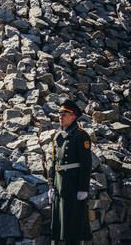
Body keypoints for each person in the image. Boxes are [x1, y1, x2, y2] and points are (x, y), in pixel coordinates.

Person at [48, 99, 92, 244]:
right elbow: (55, 163)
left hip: (73, 185)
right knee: (59, 223)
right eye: (60, 114)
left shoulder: (81, 135)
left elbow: (86, 164)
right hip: (60, 185)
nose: (60, 117)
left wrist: (83, 188)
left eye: (64, 114)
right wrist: (52, 186)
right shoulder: (58, 136)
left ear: (73, 116)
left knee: (72, 224)